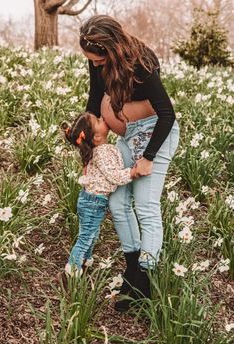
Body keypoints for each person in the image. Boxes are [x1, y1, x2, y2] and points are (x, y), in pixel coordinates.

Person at [79, 15, 180, 311]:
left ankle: (145, 281)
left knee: (146, 206)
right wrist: (88, 148)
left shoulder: (141, 65)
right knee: (118, 203)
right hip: (128, 136)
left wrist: (148, 158)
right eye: (91, 62)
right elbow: (94, 96)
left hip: (156, 135)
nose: (95, 66)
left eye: (98, 61)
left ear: (110, 49)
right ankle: (132, 271)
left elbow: (167, 114)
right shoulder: (97, 60)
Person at [62, 112, 136, 277]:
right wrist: (133, 172)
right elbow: (114, 176)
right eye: (98, 120)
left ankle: (85, 259)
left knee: (91, 234)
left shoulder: (99, 149)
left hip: (91, 200)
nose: (103, 118)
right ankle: (72, 269)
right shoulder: (102, 153)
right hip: (94, 202)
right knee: (86, 236)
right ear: (96, 136)